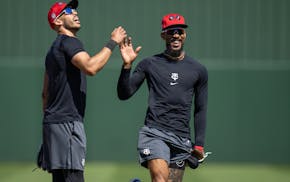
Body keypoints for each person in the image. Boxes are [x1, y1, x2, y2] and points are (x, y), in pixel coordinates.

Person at [38, 0, 127, 181]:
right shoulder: (69, 42)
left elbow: (45, 94)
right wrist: (113, 42)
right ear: (57, 21)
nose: (75, 13)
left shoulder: (52, 50)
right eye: (69, 11)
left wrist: (50, 135)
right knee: (74, 178)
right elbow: (91, 67)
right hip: (67, 123)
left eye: (75, 9)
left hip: (54, 123)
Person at [117, 13, 208, 182]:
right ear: (163, 35)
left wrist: (199, 144)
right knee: (160, 179)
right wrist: (127, 65)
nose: (175, 35)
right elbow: (124, 94)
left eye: (179, 31)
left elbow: (200, 109)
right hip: (154, 133)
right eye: (170, 31)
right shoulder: (149, 64)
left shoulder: (198, 69)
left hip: (181, 137)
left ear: (184, 35)